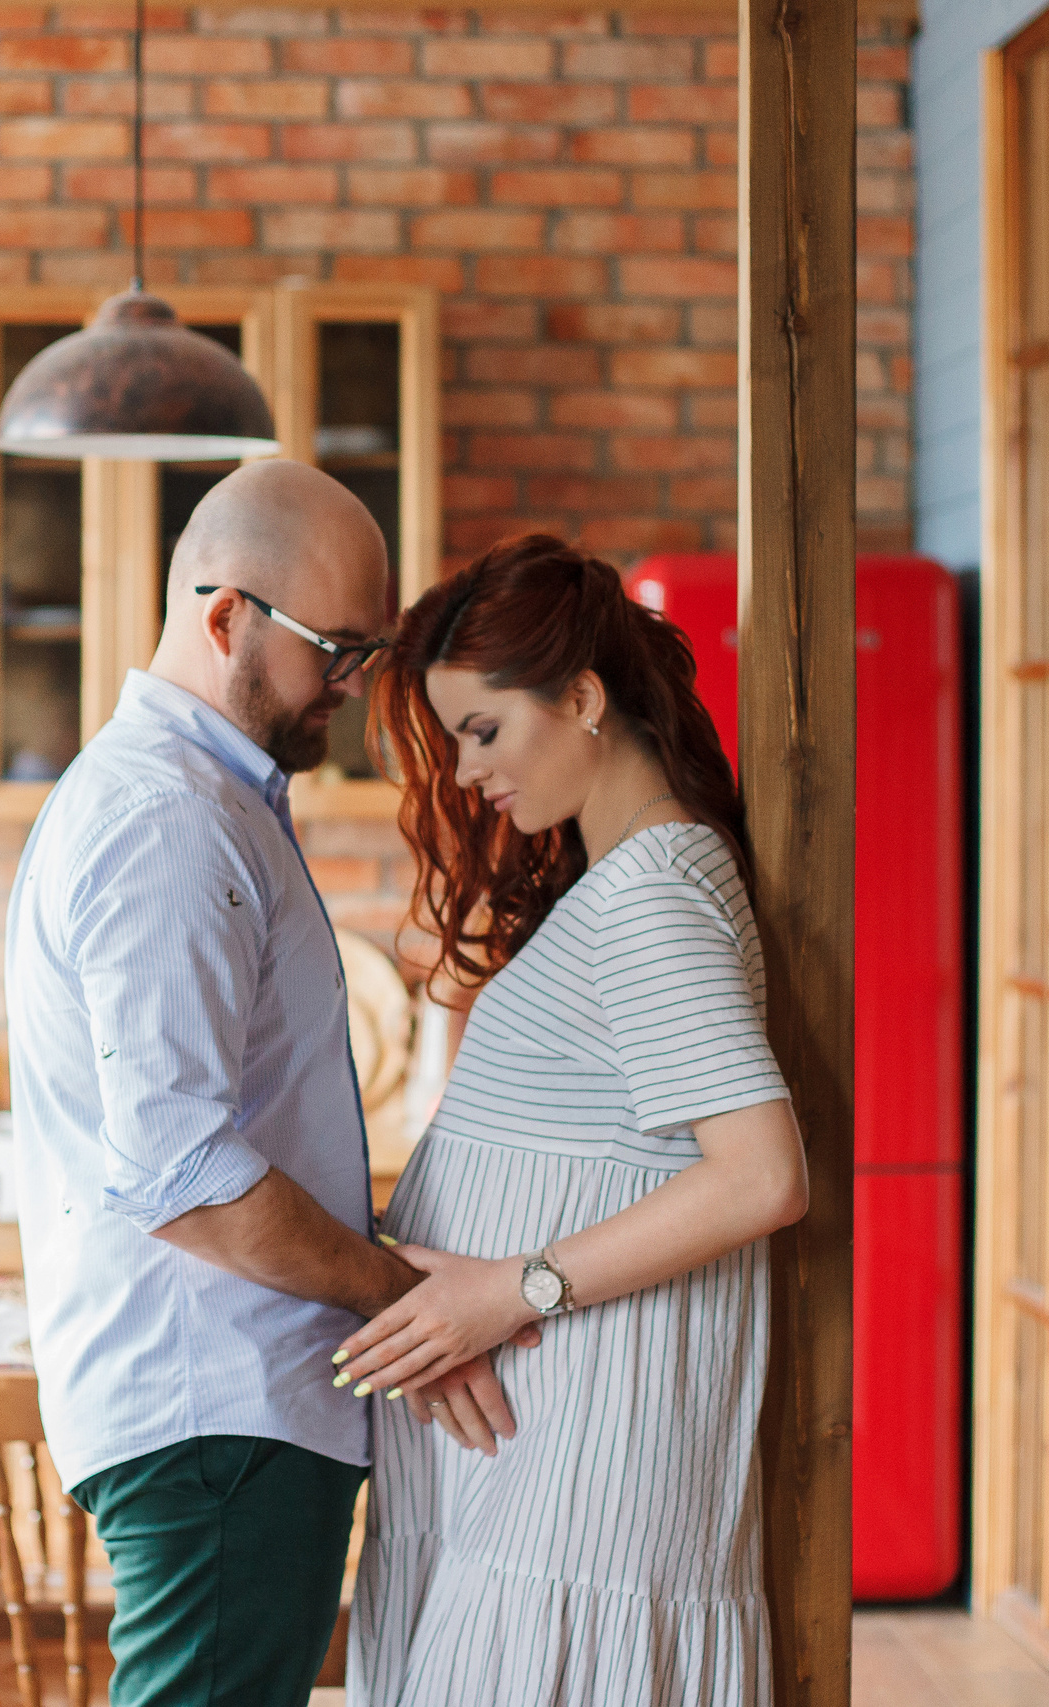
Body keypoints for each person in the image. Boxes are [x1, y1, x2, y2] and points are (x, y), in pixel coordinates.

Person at [5, 459, 520, 1707]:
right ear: (224, 615)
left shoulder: (209, 800)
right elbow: (183, 1175)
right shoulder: (166, 822)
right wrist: (410, 1307)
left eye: (369, 654)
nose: (350, 686)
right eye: (334, 650)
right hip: (215, 1411)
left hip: (231, 1406)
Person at [339, 534, 810, 1706]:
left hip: (584, 1440)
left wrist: (511, 1289)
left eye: (483, 731)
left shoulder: (652, 890)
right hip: (545, 1436)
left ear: (584, 697)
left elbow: (760, 1178)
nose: (460, 772)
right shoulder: (626, 879)